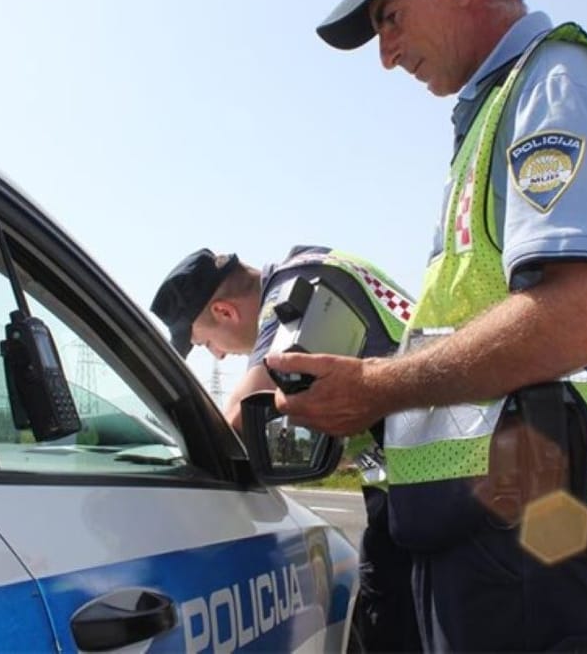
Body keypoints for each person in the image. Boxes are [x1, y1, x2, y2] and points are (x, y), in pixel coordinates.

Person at [265, 0, 587, 652]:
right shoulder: (500, 108)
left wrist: (374, 390)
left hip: (529, 535)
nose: (386, 53)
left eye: (388, 16)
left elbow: (584, 312)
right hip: (495, 529)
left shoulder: (556, 86)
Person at [150, 245, 422, 654]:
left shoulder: (294, 290)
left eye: (206, 343)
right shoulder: (323, 264)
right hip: (430, 491)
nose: (219, 354)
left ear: (225, 312)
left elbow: (238, 421)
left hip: (437, 498)